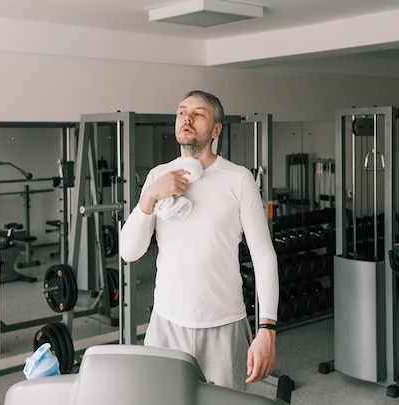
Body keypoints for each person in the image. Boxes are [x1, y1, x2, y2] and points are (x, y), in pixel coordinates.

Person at [119, 90, 279, 391]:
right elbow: (129, 251)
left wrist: (267, 328)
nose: (187, 118)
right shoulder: (158, 176)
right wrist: (150, 196)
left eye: (198, 113)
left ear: (216, 129)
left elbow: (263, 255)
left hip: (224, 324)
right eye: (182, 112)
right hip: (166, 324)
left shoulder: (239, 179)